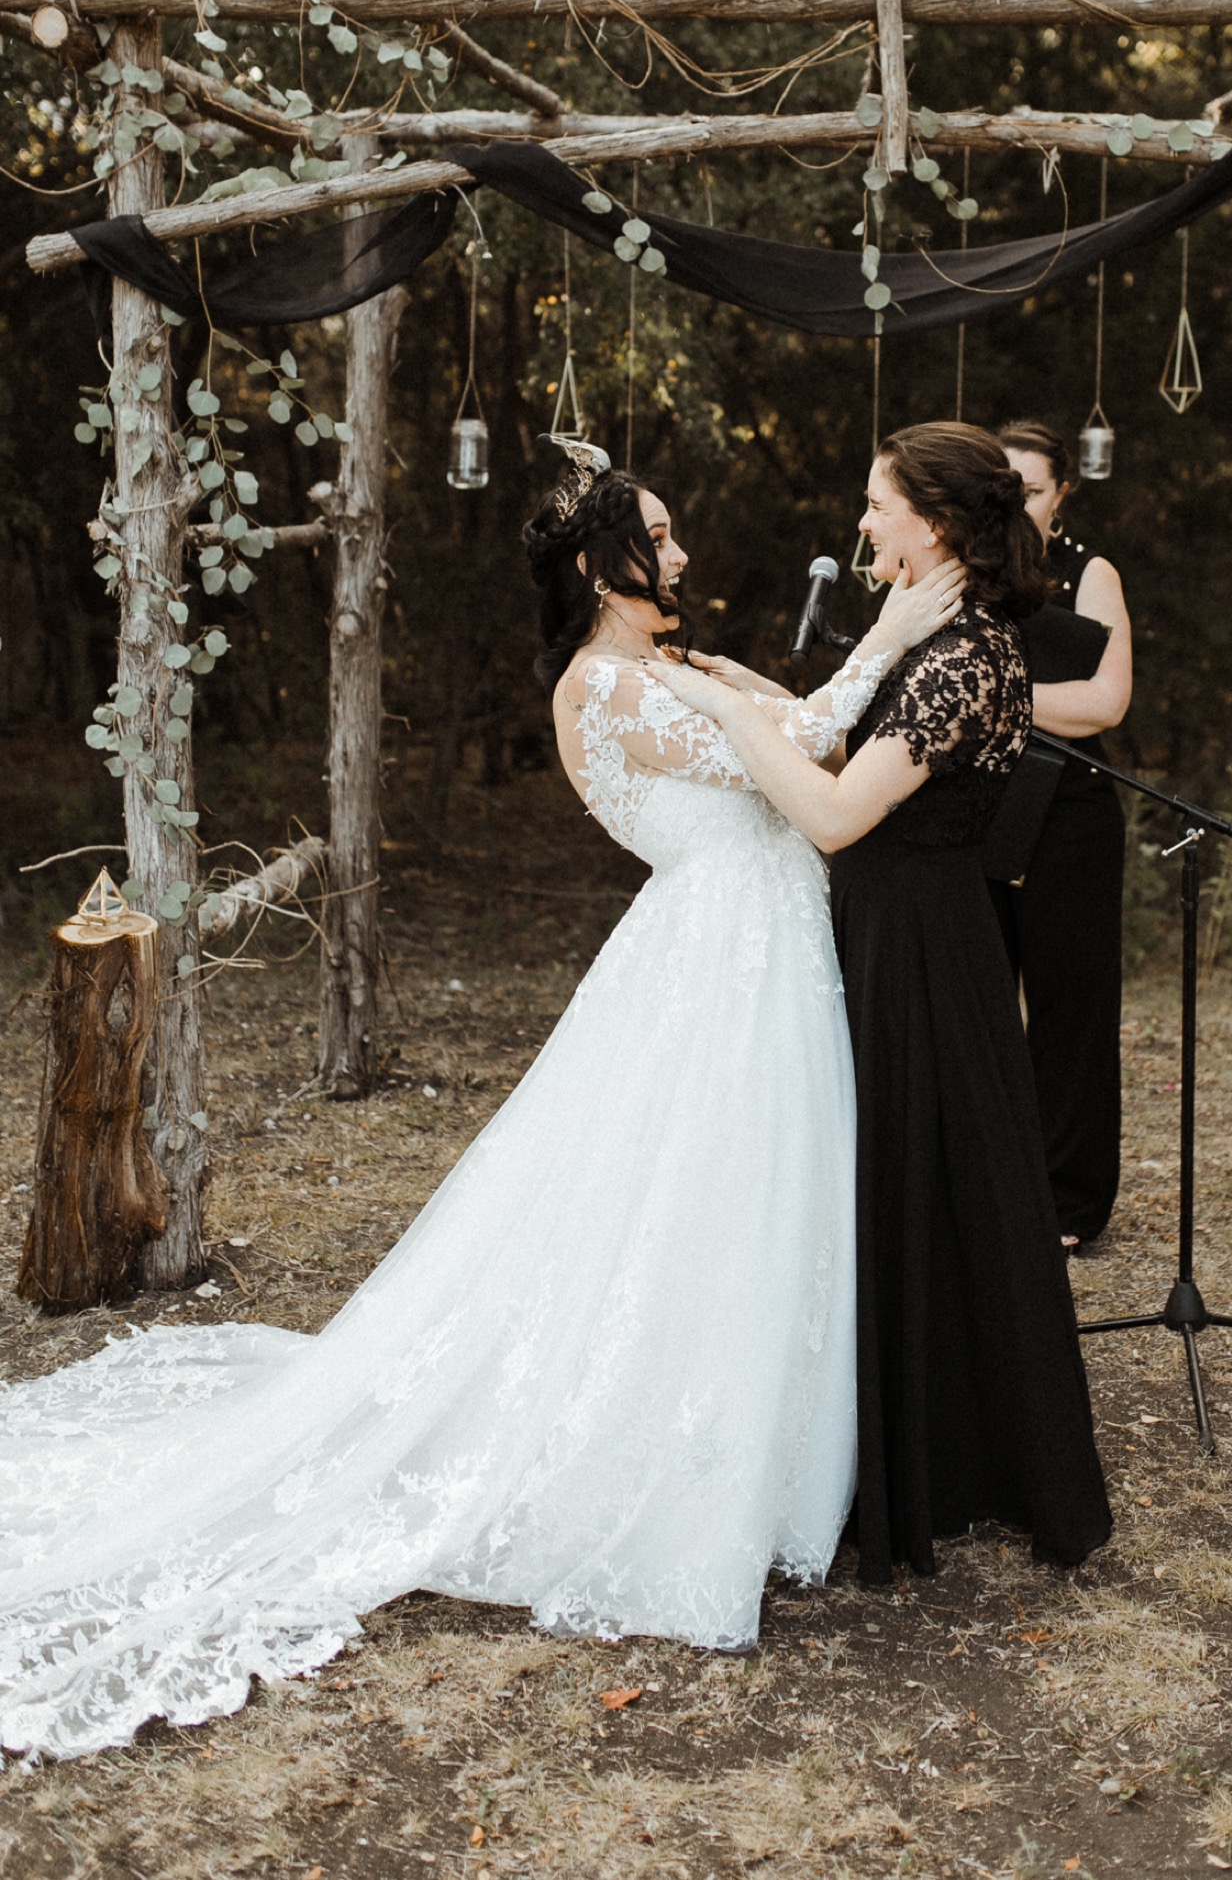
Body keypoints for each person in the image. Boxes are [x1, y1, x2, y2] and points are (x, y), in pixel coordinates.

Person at [0, 442, 962, 1762]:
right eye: (659, 539)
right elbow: (803, 744)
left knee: (754, 1200)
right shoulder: (604, 688)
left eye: (677, 537)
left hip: (757, 953)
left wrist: (817, 668)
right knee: (704, 1200)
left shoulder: (666, 669)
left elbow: (783, 730)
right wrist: (898, 627)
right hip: (716, 965)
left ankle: (780, 1461)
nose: (681, 557)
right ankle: (679, 1477)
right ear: (595, 566)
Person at [653, 421, 1112, 1584]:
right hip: (880, 929)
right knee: (907, 1201)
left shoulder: (972, 658)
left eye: (877, 504)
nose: (861, 522)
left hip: (922, 951)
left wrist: (730, 719)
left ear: (939, 524)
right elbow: (846, 737)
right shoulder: (933, 640)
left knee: (937, 1197)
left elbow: (836, 812)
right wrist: (750, 688)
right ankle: (913, 1450)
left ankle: (963, 1467)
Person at [989, 421, 1133, 1250]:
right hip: (972, 807)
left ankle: (1068, 1202)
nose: (1016, 505)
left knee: (1069, 1006)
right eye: (1001, 490)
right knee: (978, 997)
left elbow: (1105, 702)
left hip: (1069, 813)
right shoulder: (960, 575)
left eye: (1031, 490)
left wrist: (988, 698)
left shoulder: (1089, 573)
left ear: (1062, 494)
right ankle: (988, 1178)